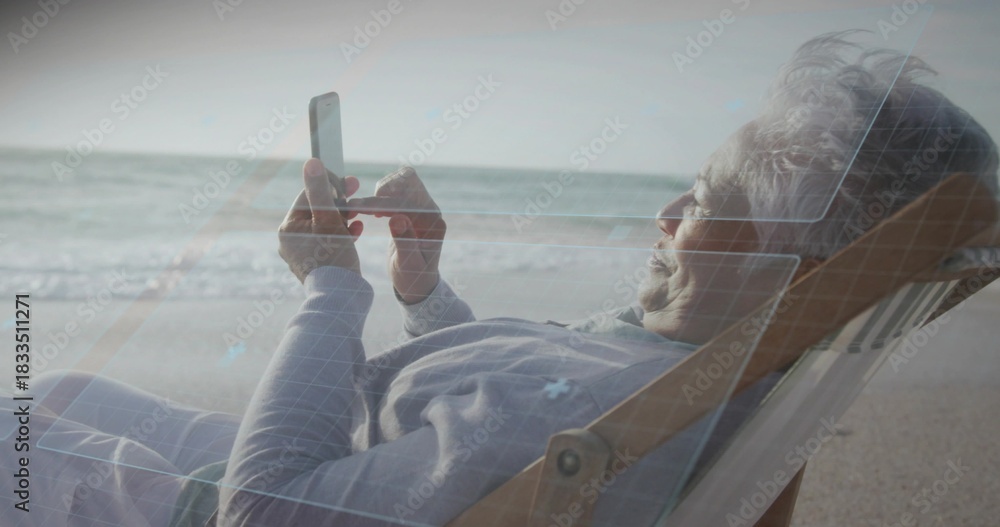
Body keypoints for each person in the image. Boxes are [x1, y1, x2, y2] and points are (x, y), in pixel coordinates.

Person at [5, 32, 997, 527]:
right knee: (58, 391)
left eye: (696, 200)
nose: (664, 216)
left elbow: (265, 512)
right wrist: (423, 286)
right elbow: (477, 417)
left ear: (791, 271)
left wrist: (331, 283)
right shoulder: (701, 373)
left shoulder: (591, 409)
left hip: (251, 494)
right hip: (338, 464)